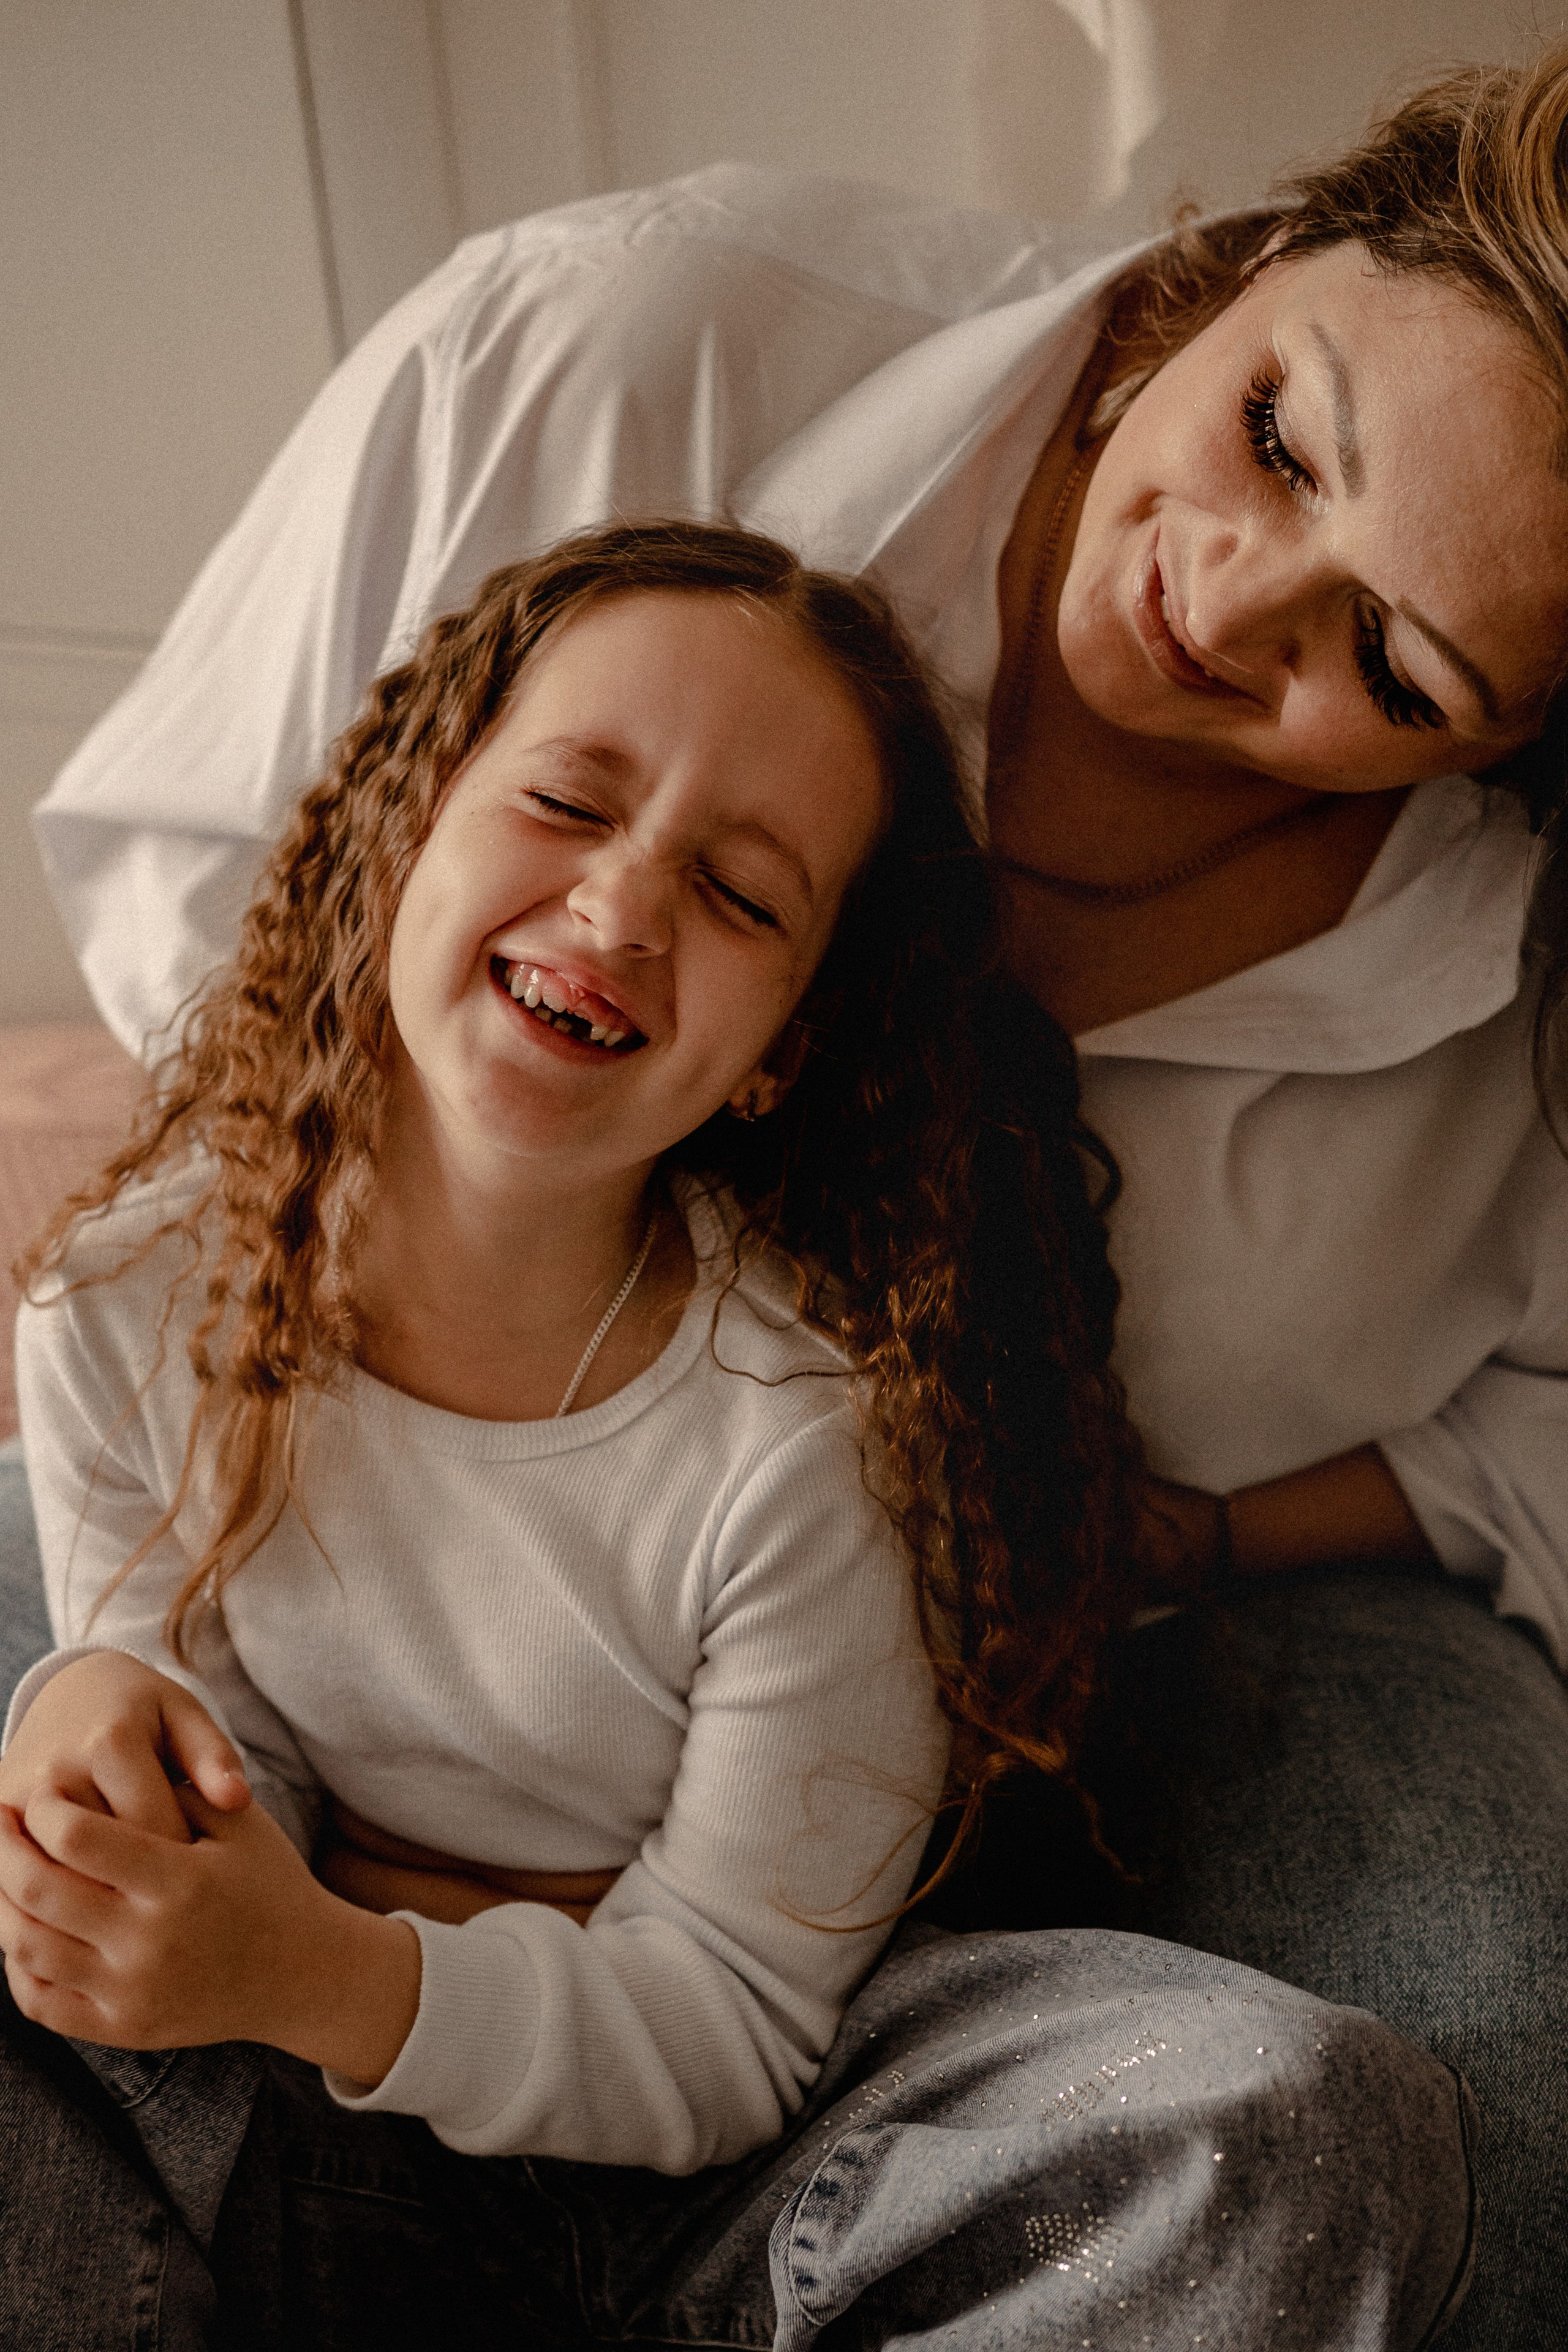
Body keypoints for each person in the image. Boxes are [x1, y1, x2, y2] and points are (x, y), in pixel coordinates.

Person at [14, 40, 1568, 2346]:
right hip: (311, 1510)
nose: (1237, 602)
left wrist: (1217, 1532)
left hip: (1065, 1662)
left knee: (1455, 2065)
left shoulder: (800, 1441)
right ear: (1236, 266)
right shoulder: (624, 338)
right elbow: (220, 907)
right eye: (1270, 433)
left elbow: (728, 2013)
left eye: (1395, 662)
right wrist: (119, 1701)